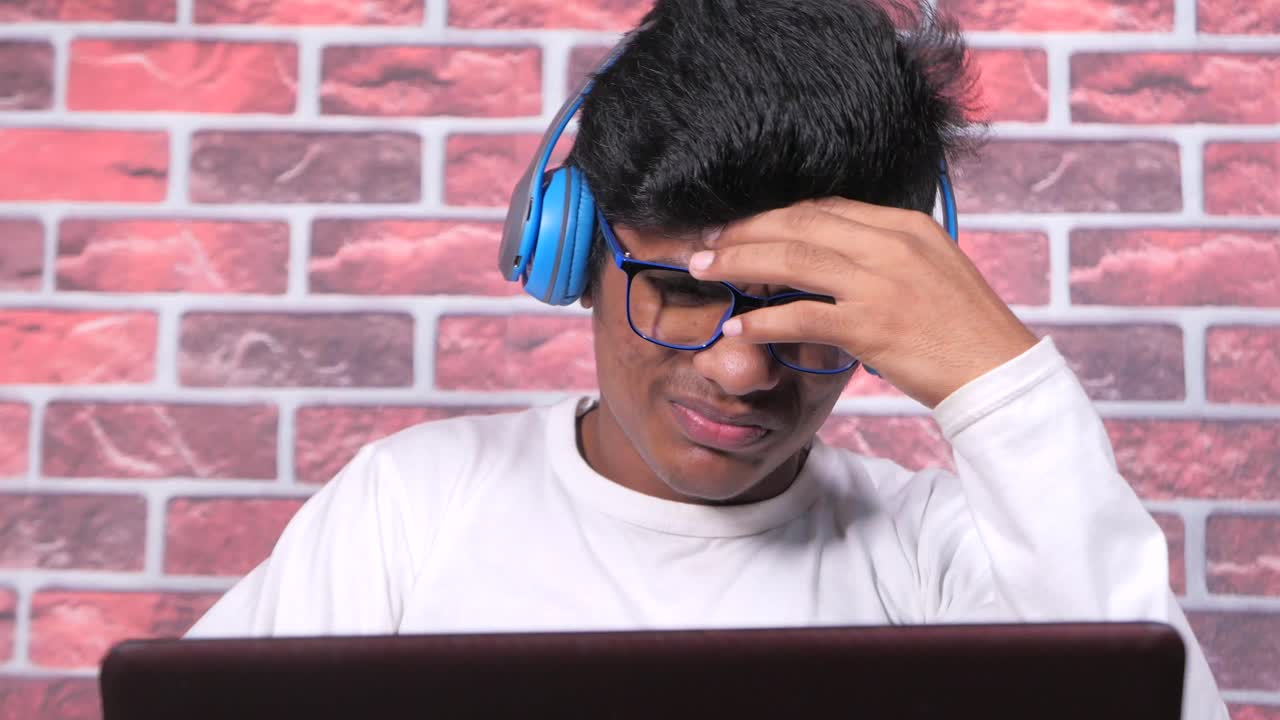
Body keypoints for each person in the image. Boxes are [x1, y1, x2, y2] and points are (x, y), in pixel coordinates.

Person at [186, 1, 1228, 717]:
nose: (741, 374)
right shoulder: (407, 509)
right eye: (681, 292)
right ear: (572, 255)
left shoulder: (943, 556)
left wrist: (1000, 386)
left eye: (808, 315)